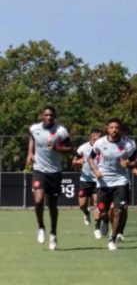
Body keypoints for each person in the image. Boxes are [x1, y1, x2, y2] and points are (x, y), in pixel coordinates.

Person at [88, 118, 137, 251]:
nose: (114, 130)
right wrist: (95, 170)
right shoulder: (100, 143)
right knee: (103, 212)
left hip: (121, 181)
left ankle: (112, 239)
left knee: (118, 211)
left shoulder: (128, 144)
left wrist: (129, 164)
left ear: (120, 129)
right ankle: (104, 221)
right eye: (112, 127)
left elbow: (136, 162)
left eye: (117, 127)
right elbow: (89, 158)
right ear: (107, 129)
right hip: (103, 182)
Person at [27, 105, 73, 250]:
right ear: (42, 115)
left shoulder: (61, 131)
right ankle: (41, 226)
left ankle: (53, 233)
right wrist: (30, 153)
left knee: (52, 205)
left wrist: (57, 148)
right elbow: (32, 138)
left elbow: (71, 148)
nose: (48, 117)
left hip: (55, 172)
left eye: (51, 115)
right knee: (38, 200)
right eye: (46, 115)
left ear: (54, 117)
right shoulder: (35, 128)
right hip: (39, 170)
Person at [73, 128, 102, 234]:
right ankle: (86, 212)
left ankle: (97, 228)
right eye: (96, 138)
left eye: (99, 138)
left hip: (98, 180)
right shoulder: (83, 148)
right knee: (82, 204)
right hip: (85, 180)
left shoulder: (102, 147)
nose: (98, 140)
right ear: (91, 137)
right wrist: (78, 162)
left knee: (96, 203)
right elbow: (74, 161)